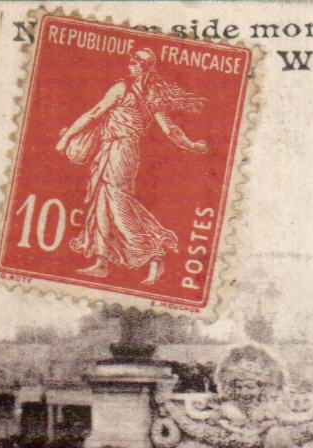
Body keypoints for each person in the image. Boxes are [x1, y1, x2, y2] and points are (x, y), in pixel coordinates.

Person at [56, 48, 209, 285]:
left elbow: (95, 113)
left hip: (121, 151)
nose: (128, 67)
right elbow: (170, 130)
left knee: (117, 205)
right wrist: (192, 145)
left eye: (133, 64)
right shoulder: (151, 96)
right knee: (102, 204)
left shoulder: (125, 90)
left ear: (140, 67)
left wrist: (67, 137)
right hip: (115, 150)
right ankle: (102, 262)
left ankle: (154, 253)